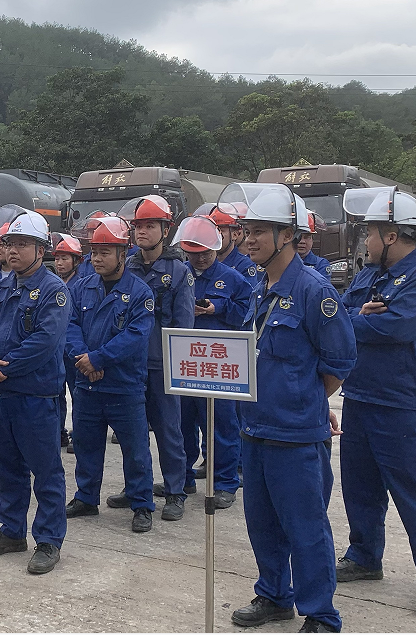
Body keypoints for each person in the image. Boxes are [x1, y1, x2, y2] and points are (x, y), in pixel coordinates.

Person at [225, 183, 355, 633]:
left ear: (288, 236)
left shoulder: (314, 291)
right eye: (247, 232)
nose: (249, 240)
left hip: (296, 435)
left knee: (306, 528)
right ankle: (275, 595)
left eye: (260, 231)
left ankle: (320, 613)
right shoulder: (259, 286)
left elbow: (340, 361)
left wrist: (307, 399)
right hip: (254, 429)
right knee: (262, 524)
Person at [337, 186, 416, 619]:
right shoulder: (369, 275)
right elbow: (337, 313)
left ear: (392, 235)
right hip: (359, 396)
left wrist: (355, 321)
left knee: (413, 491)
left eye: (371, 233)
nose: (366, 240)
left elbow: (396, 328)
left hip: (399, 403)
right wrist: (358, 317)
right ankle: (364, 557)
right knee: (360, 486)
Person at [0, 205, 70, 575]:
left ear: (41, 250)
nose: (12, 250)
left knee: (46, 471)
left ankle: (49, 539)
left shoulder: (54, 291)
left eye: (23, 244)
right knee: (9, 467)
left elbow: (44, 342)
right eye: (9, 243)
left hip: (35, 397)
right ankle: (12, 531)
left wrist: (2, 369)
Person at [64, 215, 156, 533]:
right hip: (87, 383)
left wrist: (98, 360)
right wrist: (83, 359)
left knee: (135, 449)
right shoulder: (82, 287)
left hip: (123, 385)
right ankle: (86, 498)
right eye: (94, 252)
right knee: (86, 444)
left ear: (123, 254)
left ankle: (141, 503)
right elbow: (69, 325)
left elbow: (135, 337)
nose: (97, 258)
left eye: (105, 252)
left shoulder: (140, 293)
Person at [122, 196, 195, 520]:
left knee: (169, 431)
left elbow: (184, 324)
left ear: (166, 230)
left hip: (162, 364)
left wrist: (176, 365)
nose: (142, 231)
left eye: (150, 225)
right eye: (138, 226)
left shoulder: (178, 272)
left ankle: (175, 491)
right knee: (132, 432)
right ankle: (135, 488)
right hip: (129, 363)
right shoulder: (127, 266)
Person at [177, 214, 251, 508]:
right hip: (185, 362)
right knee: (181, 423)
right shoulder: (180, 275)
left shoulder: (233, 279)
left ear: (215, 248)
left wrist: (217, 308)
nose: (200, 259)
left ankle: (224, 483)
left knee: (222, 424)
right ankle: (181, 478)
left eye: (205, 253)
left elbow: (247, 314)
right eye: (193, 254)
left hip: (218, 365)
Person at [51, 233, 86, 451]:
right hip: (55, 349)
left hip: (72, 349)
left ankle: (79, 433)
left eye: (65, 258)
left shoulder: (82, 285)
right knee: (56, 393)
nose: (60, 263)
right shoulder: (52, 283)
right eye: (57, 258)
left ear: (76, 261)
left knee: (78, 393)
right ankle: (58, 432)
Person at [209, 204, 260, 288]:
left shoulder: (245, 265)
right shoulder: (204, 263)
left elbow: (248, 294)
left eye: (220, 231)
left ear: (235, 235)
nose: (216, 236)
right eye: (212, 231)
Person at [298, 212, 332, 280]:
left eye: (307, 237)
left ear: (312, 240)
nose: (302, 241)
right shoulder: (282, 262)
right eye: (299, 237)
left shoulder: (321, 264)